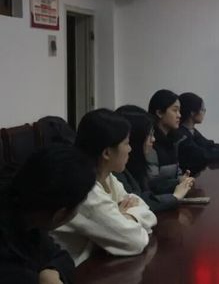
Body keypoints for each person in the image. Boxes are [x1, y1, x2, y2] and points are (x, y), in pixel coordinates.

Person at [51, 109, 157, 265]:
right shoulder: (86, 192)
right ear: (107, 153)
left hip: (97, 262)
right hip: (76, 271)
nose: (130, 149)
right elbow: (134, 241)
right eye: (126, 143)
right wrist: (122, 218)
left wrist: (126, 217)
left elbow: (146, 209)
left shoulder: (106, 176)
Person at [0, 145, 95, 283]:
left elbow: (61, 257)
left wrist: (51, 270)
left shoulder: (25, 211)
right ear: (60, 215)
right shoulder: (12, 265)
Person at [114, 106, 194, 212]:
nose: (153, 139)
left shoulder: (133, 164)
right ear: (136, 139)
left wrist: (178, 182)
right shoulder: (117, 171)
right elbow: (139, 202)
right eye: (149, 135)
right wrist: (175, 197)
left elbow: (150, 186)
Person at [175, 92, 219, 175]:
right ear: (192, 112)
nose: (204, 112)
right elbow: (204, 155)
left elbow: (209, 145)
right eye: (202, 109)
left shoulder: (191, 131)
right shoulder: (181, 135)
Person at [147, 90, 184, 180]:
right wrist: (178, 182)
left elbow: (177, 171)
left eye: (179, 111)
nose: (179, 115)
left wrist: (184, 180)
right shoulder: (149, 142)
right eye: (175, 110)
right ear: (159, 113)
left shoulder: (175, 139)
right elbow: (152, 181)